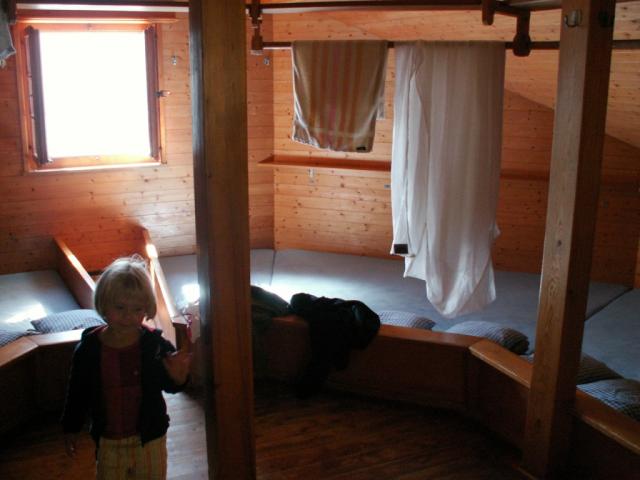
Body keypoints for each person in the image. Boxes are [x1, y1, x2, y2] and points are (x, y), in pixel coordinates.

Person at [62, 255, 191, 480]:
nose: (128, 316)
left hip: (150, 438)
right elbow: (77, 391)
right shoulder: (89, 349)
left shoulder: (155, 345)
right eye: (120, 307)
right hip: (108, 440)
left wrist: (179, 379)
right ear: (104, 304)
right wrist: (71, 428)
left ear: (146, 309)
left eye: (137, 309)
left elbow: (170, 385)